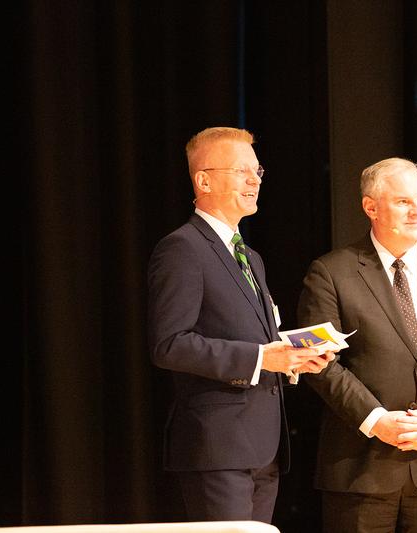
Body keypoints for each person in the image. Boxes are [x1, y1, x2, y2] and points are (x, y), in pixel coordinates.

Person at [297, 157, 417, 533]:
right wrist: (376, 421)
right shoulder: (331, 272)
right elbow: (320, 362)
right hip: (361, 469)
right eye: (404, 201)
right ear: (370, 207)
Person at [147, 126, 333, 523]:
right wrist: (262, 358)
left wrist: (294, 359)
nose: (254, 180)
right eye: (241, 171)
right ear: (203, 180)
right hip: (217, 446)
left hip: (262, 447)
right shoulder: (182, 248)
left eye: (258, 171)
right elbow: (170, 344)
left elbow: (256, 340)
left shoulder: (249, 255)